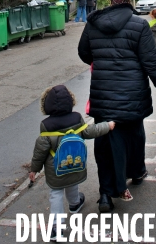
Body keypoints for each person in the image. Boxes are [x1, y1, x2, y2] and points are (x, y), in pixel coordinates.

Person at [78, 0, 156, 211]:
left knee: (104, 144)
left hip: (103, 96)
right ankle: (137, 172)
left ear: (111, 0)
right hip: (132, 96)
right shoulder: (139, 25)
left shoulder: (93, 23)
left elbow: (84, 53)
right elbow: (152, 63)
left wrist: (103, 62)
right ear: (128, 0)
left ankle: (105, 194)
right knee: (133, 136)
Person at [29, 85, 115, 241]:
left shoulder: (46, 126)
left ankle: (56, 228)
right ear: (70, 101)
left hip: (55, 167)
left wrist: (34, 169)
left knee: (56, 194)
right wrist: (107, 126)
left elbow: (40, 150)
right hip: (75, 163)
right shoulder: (76, 119)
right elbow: (90, 131)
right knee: (72, 183)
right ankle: (75, 203)